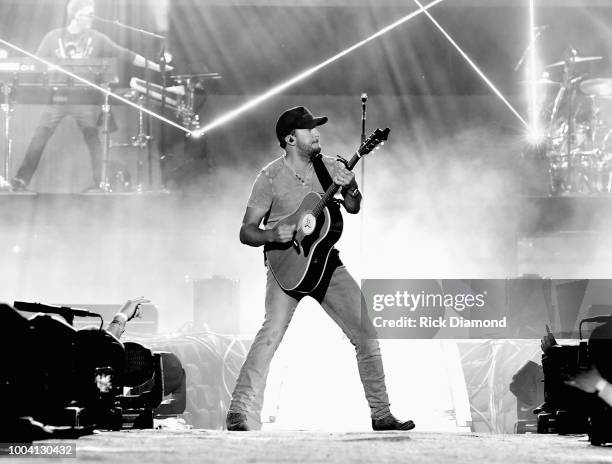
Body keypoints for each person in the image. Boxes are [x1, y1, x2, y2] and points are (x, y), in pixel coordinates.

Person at [226, 106, 414, 432]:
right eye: (309, 129)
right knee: (270, 334)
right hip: (286, 268)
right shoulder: (269, 177)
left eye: (316, 128)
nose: (316, 133)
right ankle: (239, 412)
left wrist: (351, 187)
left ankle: (382, 415)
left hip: (326, 264)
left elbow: (353, 207)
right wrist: (272, 234)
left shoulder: (330, 167)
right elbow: (247, 231)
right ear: (289, 138)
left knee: (366, 334)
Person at [11, 0, 168, 193]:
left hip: (83, 99)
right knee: (39, 137)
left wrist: (157, 67)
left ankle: (100, 182)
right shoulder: (53, 37)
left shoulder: (97, 38)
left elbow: (125, 54)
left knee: (93, 139)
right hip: (57, 98)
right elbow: (35, 62)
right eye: (89, 13)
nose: (93, 17)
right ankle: (21, 179)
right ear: (76, 14)